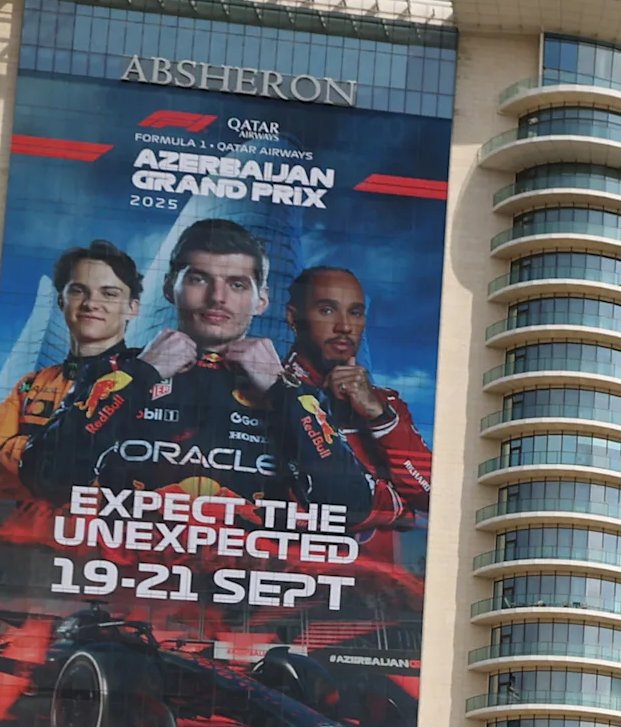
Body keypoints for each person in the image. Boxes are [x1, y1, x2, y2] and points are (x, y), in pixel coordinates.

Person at [19, 218, 375, 536]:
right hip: (124, 581)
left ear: (261, 300)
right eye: (199, 279)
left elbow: (351, 506)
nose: (216, 298)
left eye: (237, 285)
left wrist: (282, 392)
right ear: (169, 287)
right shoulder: (115, 372)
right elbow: (45, 478)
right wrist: (143, 375)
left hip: (243, 594)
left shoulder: (296, 391)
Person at [0, 240, 145, 542]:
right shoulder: (31, 385)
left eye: (109, 293)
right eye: (78, 290)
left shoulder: (149, 381)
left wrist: (22, 452)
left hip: (113, 558)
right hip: (24, 555)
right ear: (61, 301)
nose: (91, 303)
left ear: (132, 308)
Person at [281, 265, 432, 527]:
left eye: (355, 312)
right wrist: (397, 507)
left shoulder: (386, 405)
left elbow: (432, 496)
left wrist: (378, 416)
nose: (344, 326)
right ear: (293, 318)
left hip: (377, 567)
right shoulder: (265, 392)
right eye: (327, 310)